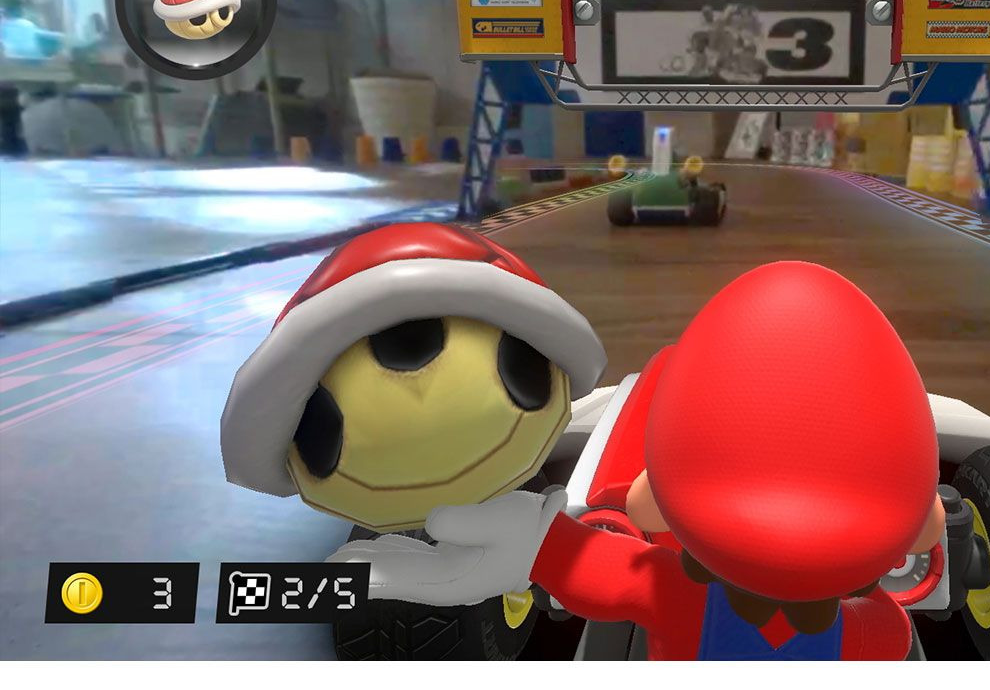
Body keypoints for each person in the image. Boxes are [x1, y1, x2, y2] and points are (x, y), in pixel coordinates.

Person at [331, 261, 945, 660]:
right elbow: (889, 622)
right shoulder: (878, 634)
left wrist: (539, 541)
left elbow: (607, 571)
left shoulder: (681, 599)